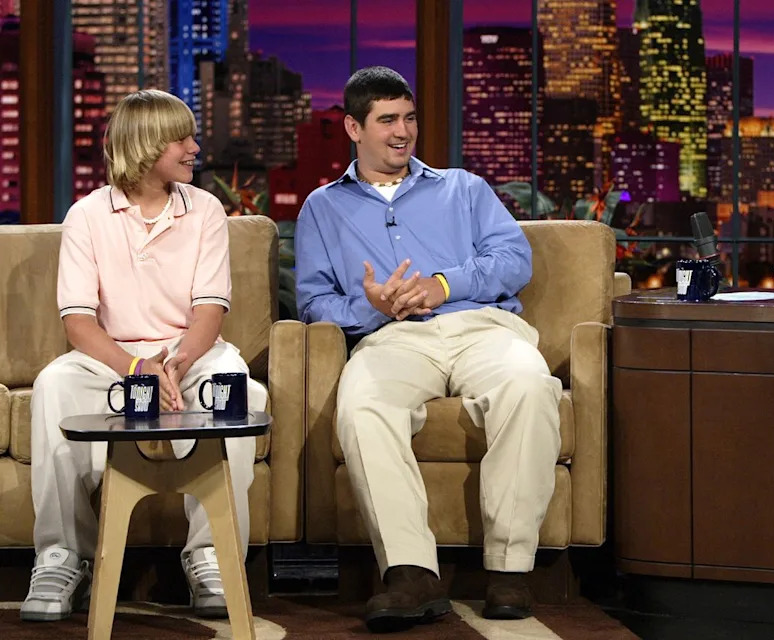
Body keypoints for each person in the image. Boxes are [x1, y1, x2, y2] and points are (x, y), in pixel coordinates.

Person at [295, 66, 562, 633]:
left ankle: (510, 569)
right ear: (353, 127)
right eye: (387, 120)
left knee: (531, 384)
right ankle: (411, 572)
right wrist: (373, 307)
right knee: (363, 402)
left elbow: (514, 261)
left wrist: (444, 284)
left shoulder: (463, 188)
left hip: (480, 328)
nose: (402, 131)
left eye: (409, 118)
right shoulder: (322, 207)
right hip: (391, 338)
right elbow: (315, 302)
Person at [22, 89, 266, 622]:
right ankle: (62, 556)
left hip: (189, 355)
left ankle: (211, 556)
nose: (195, 148)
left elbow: (208, 310)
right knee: (53, 387)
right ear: (147, 143)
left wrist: (175, 363)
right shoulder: (87, 215)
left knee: (236, 383)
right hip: (113, 360)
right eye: (182, 138)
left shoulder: (204, 210)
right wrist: (137, 369)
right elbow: (78, 321)